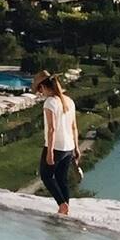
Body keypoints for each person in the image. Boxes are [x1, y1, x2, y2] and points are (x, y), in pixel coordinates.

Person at [36, 72, 80, 216]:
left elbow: (52, 129)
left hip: (56, 146)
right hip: (69, 146)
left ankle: (62, 204)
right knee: (62, 178)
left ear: (43, 87)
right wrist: (77, 147)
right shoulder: (69, 101)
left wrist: (49, 152)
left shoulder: (50, 102)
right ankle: (65, 209)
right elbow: (74, 126)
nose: (39, 93)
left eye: (39, 90)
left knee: (46, 176)